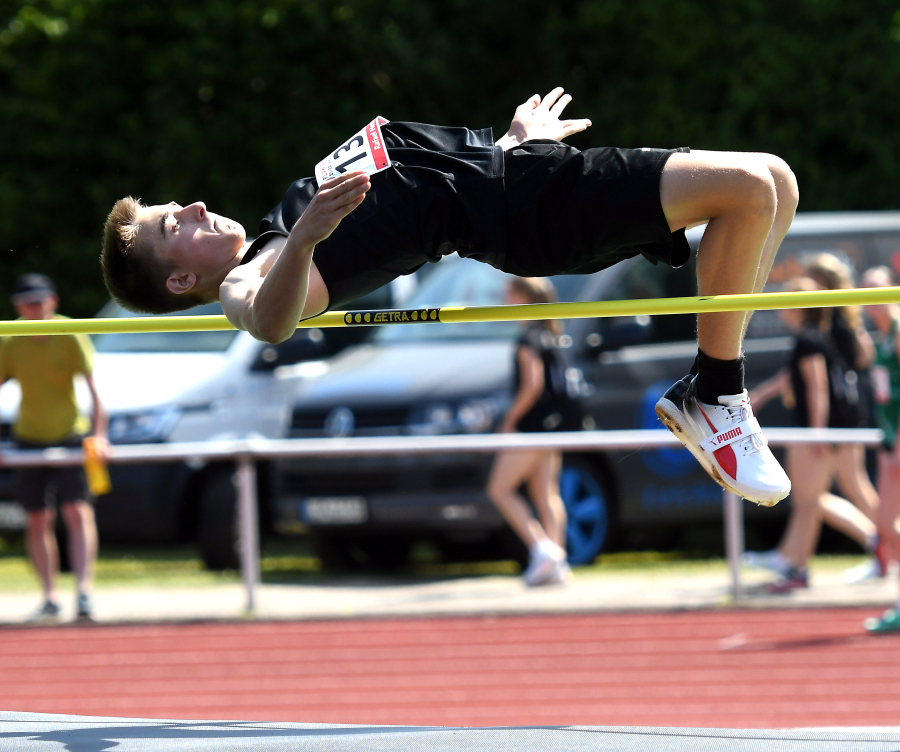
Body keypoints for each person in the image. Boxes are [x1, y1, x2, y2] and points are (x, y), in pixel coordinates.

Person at [99, 87, 799, 506]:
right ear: (181, 280)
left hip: (518, 176)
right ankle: (715, 393)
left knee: (776, 180)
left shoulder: (277, 227)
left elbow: (431, 184)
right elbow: (269, 322)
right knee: (749, 190)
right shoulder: (256, 272)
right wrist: (307, 237)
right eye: (173, 225)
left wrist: (513, 144)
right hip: (530, 213)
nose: (192, 207)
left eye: (177, 206)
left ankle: (711, 389)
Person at [746, 277, 879, 593]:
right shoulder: (817, 337)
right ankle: (793, 561)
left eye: (785, 301)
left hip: (815, 431)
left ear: (797, 306)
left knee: (808, 501)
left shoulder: (809, 340)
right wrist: (764, 395)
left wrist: (817, 433)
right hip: (826, 429)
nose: (780, 309)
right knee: (812, 501)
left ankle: (797, 566)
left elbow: (818, 387)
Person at [0, 274, 108, 621]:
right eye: (27, 303)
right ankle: (49, 596)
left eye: (39, 301)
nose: (34, 308)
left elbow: (95, 390)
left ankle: (84, 592)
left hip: (70, 434)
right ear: (18, 306)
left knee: (77, 511)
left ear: (52, 301)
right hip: (28, 436)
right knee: (37, 518)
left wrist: (99, 435)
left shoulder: (69, 331)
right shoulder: (10, 337)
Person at [486, 278, 586, 586]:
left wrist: (509, 420)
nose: (505, 300)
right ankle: (557, 561)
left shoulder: (529, 339)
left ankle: (543, 551)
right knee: (546, 494)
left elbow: (532, 385)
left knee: (499, 489)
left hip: (532, 428)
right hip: (552, 426)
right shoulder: (550, 335)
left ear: (523, 297)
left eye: (509, 294)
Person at [858, 267, 900, 632]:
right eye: (865, 291)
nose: (871, 299)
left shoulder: (898, 332)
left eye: (877, 289)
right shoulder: (881, 336)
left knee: (888, 524)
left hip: (897, 441)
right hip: (888, 441)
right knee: (885, 525)